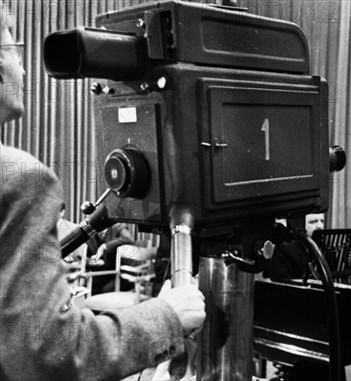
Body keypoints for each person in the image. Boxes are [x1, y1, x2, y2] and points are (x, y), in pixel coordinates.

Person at [0, 6, 206, 380]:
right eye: (13, 49)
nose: (24, 68)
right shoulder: (20, 179)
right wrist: (167, 317)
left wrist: (47, 237)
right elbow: (51, 353)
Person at [263, 213, 325, 279]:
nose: (320, 226)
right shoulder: (284, 249)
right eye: (313, 222)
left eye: (322, 221)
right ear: (301, 225)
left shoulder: (325, 248)